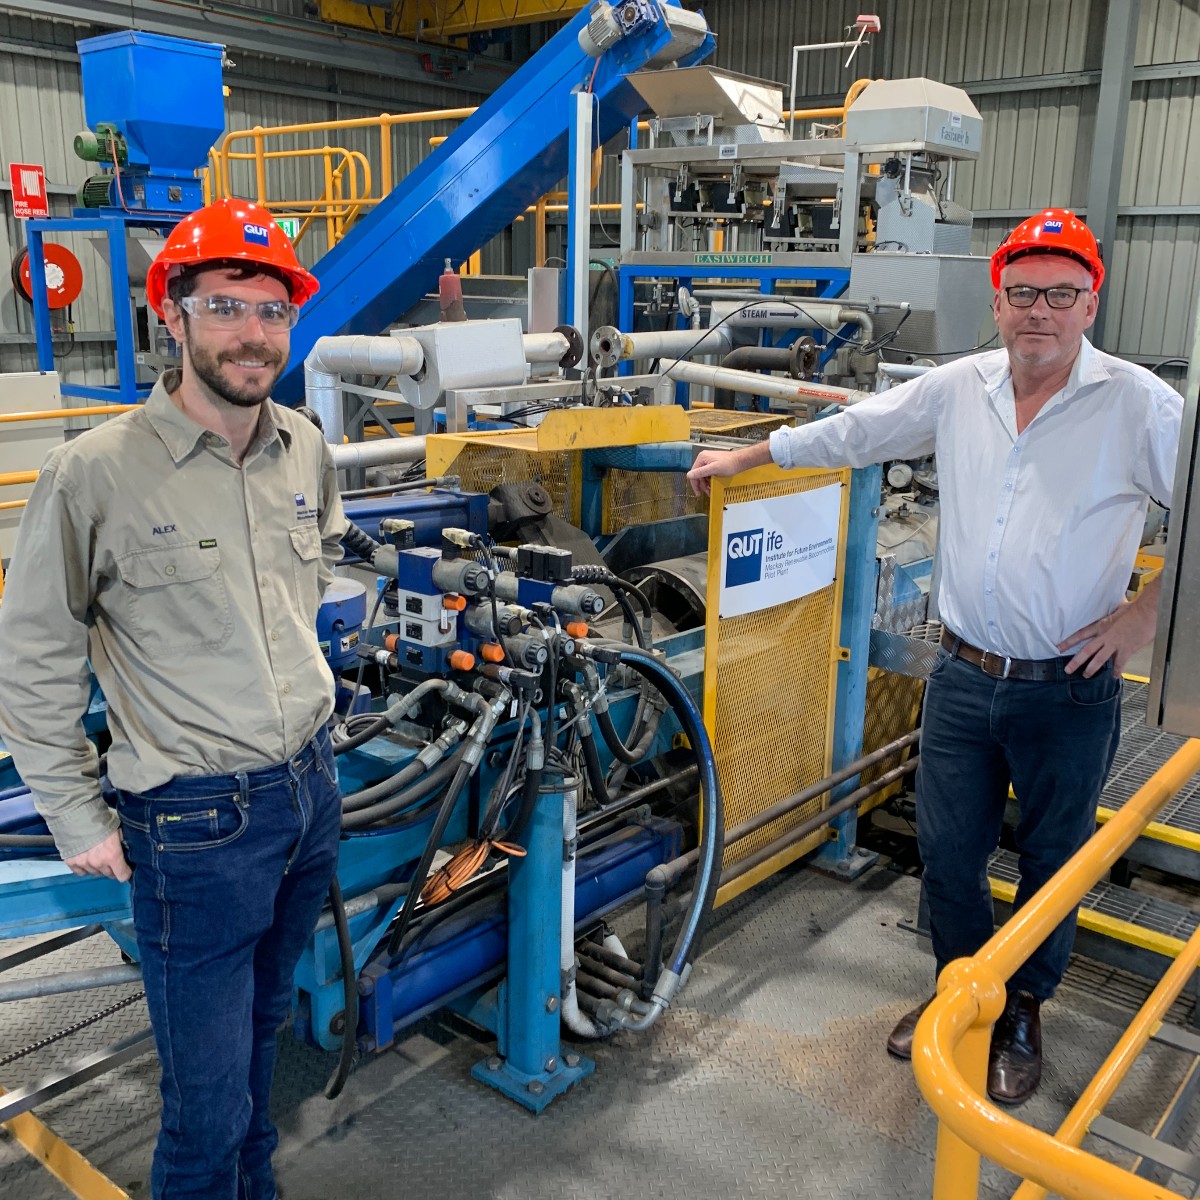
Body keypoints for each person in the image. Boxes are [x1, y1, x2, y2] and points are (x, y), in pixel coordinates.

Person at [688, 208, 1183, 1104]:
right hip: (960, 678)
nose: (1040, 310)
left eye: (1061, 294)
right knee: (948, 856)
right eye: (1023, 292)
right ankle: (964, 991)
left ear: (1090, 304)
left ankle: (1023, 1006)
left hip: (1065, 692)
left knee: (1051, 861)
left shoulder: (1139, 405)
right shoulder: (963, 387)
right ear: (999, 302)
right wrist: (753, 454)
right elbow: (860, 430)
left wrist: (1139, 621)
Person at [0, 197, 348, 1197]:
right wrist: (74, 813)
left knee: (261, 1042)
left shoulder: (305, 448)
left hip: (308, 794)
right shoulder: (93, 475)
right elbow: (31, 661)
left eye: (274, 311)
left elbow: (309, 578)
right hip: (195, 826)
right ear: (174, 317)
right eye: (228, 306)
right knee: (202, 1102)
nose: (255, 334)